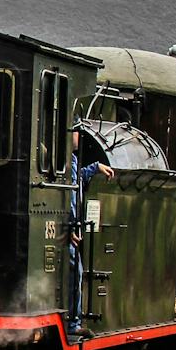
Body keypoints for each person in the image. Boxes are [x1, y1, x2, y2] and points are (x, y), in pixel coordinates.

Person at [65, 131, 115, 338]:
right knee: (75, 272)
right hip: (63, 231)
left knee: (76, 271)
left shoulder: (72, 160)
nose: (79, 135)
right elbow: (66, 194)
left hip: (69, 228)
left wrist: (94, 168)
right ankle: (72, 324)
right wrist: (68, 227)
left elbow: (76, 183)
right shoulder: (63, 161)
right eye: (75, 131)